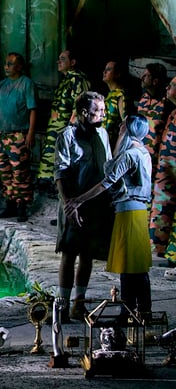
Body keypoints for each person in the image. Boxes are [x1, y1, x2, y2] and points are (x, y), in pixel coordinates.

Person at [66, 115, 153, 319]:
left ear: (129, 129)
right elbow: (114, 166)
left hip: (128, 211)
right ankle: (139, 310)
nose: (120, 127)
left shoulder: (130, 155)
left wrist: (79, 200)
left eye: (123, 125)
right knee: (134, 264)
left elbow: (107, 182)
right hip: (137, 211)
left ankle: (130, 311)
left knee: (130, 266)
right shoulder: (142, 152)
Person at [54, 91, 112, 321]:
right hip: (72, 203)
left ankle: (79, 302)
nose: (102, 115)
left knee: (87, 254)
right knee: (69, 254)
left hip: (95, 205)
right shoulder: (67, 136)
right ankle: (62, 305)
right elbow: (60, 172)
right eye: (98, 111)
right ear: (84, 113)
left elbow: (107, 168)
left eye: (103, 110)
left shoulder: (102, 135)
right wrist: (69, 204)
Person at [0, 53, 37, 218]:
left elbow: (32, 110)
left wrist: (31, 133)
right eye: (6, 63)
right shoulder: (2, 85)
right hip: (1, 135)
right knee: (5, 172)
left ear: (20, 66)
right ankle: (9, 204)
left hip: (18, 135)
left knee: (20, 172)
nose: (6, 67)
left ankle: (21, 205)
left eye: (10, 64)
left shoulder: (26, 84)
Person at [37, 50, 91, 187]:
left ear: (72, 62)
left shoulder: (78, 79)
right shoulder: (66, 79)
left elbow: (79, 107)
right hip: (55, 131)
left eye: (62, 59)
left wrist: (71, 129)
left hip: (64, 131)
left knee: (62, 162)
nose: (58, 62)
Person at [152, 76, 176, 258]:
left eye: (173, 85)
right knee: (162, 207)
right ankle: (160, 247)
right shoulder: (172, 112)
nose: (168, 87)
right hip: (165, 172)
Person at [102, 60, 133, 151]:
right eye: (105, 69)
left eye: (108, 69)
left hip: (113, 146)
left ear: (118, 74)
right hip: (104, 143)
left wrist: (117, 150)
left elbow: (125, 125)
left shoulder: (121, 96)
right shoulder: (110, 95)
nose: (104, 72)